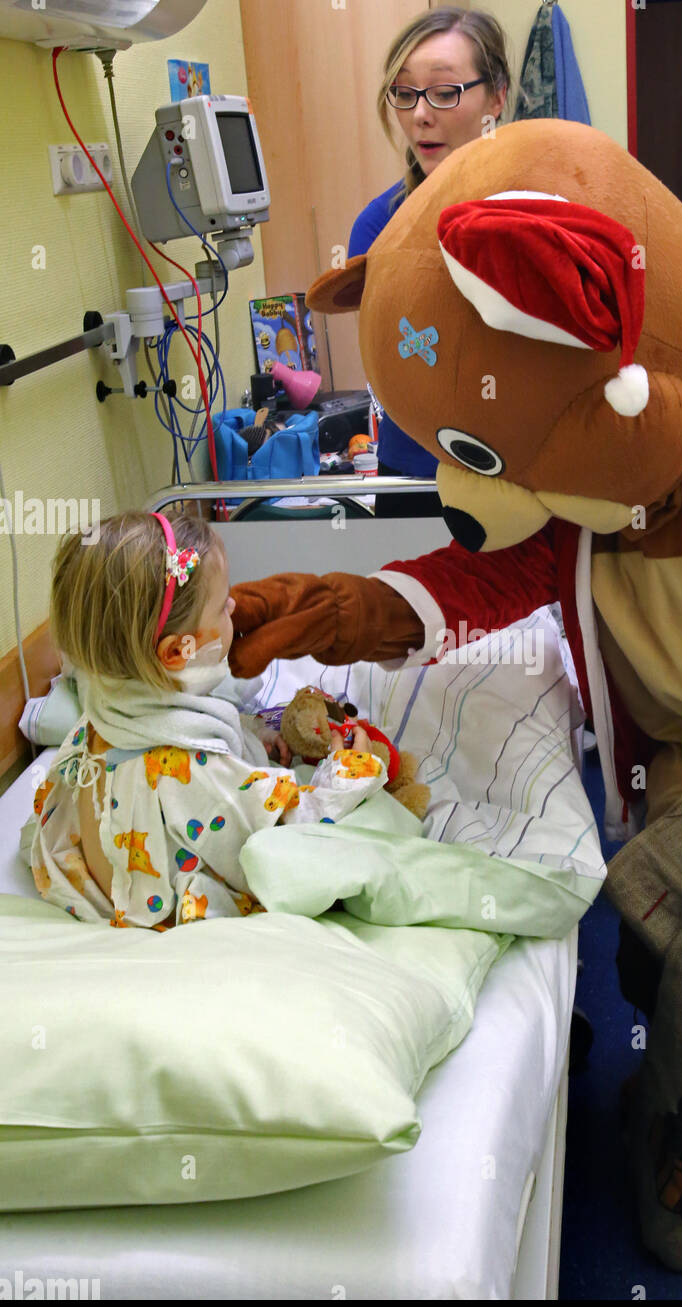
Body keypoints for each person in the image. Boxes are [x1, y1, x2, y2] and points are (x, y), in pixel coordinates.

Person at [24, 511, 387, 930]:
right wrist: (347, 771)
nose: (234, 605)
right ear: (178, 653)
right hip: (168, 915)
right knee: (380, 827)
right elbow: (288, 838)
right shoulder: (188, 766)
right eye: (221, 607)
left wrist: (254, 738)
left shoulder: (105, 712)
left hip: (107, 880)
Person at [348, 5, 511, 518]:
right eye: (404, 92)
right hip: (415, 481)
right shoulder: (378, 230)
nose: (420, 113)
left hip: (525, 476)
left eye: (444, 92)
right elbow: (399, 371)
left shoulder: (540, 211)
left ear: (497, 97)